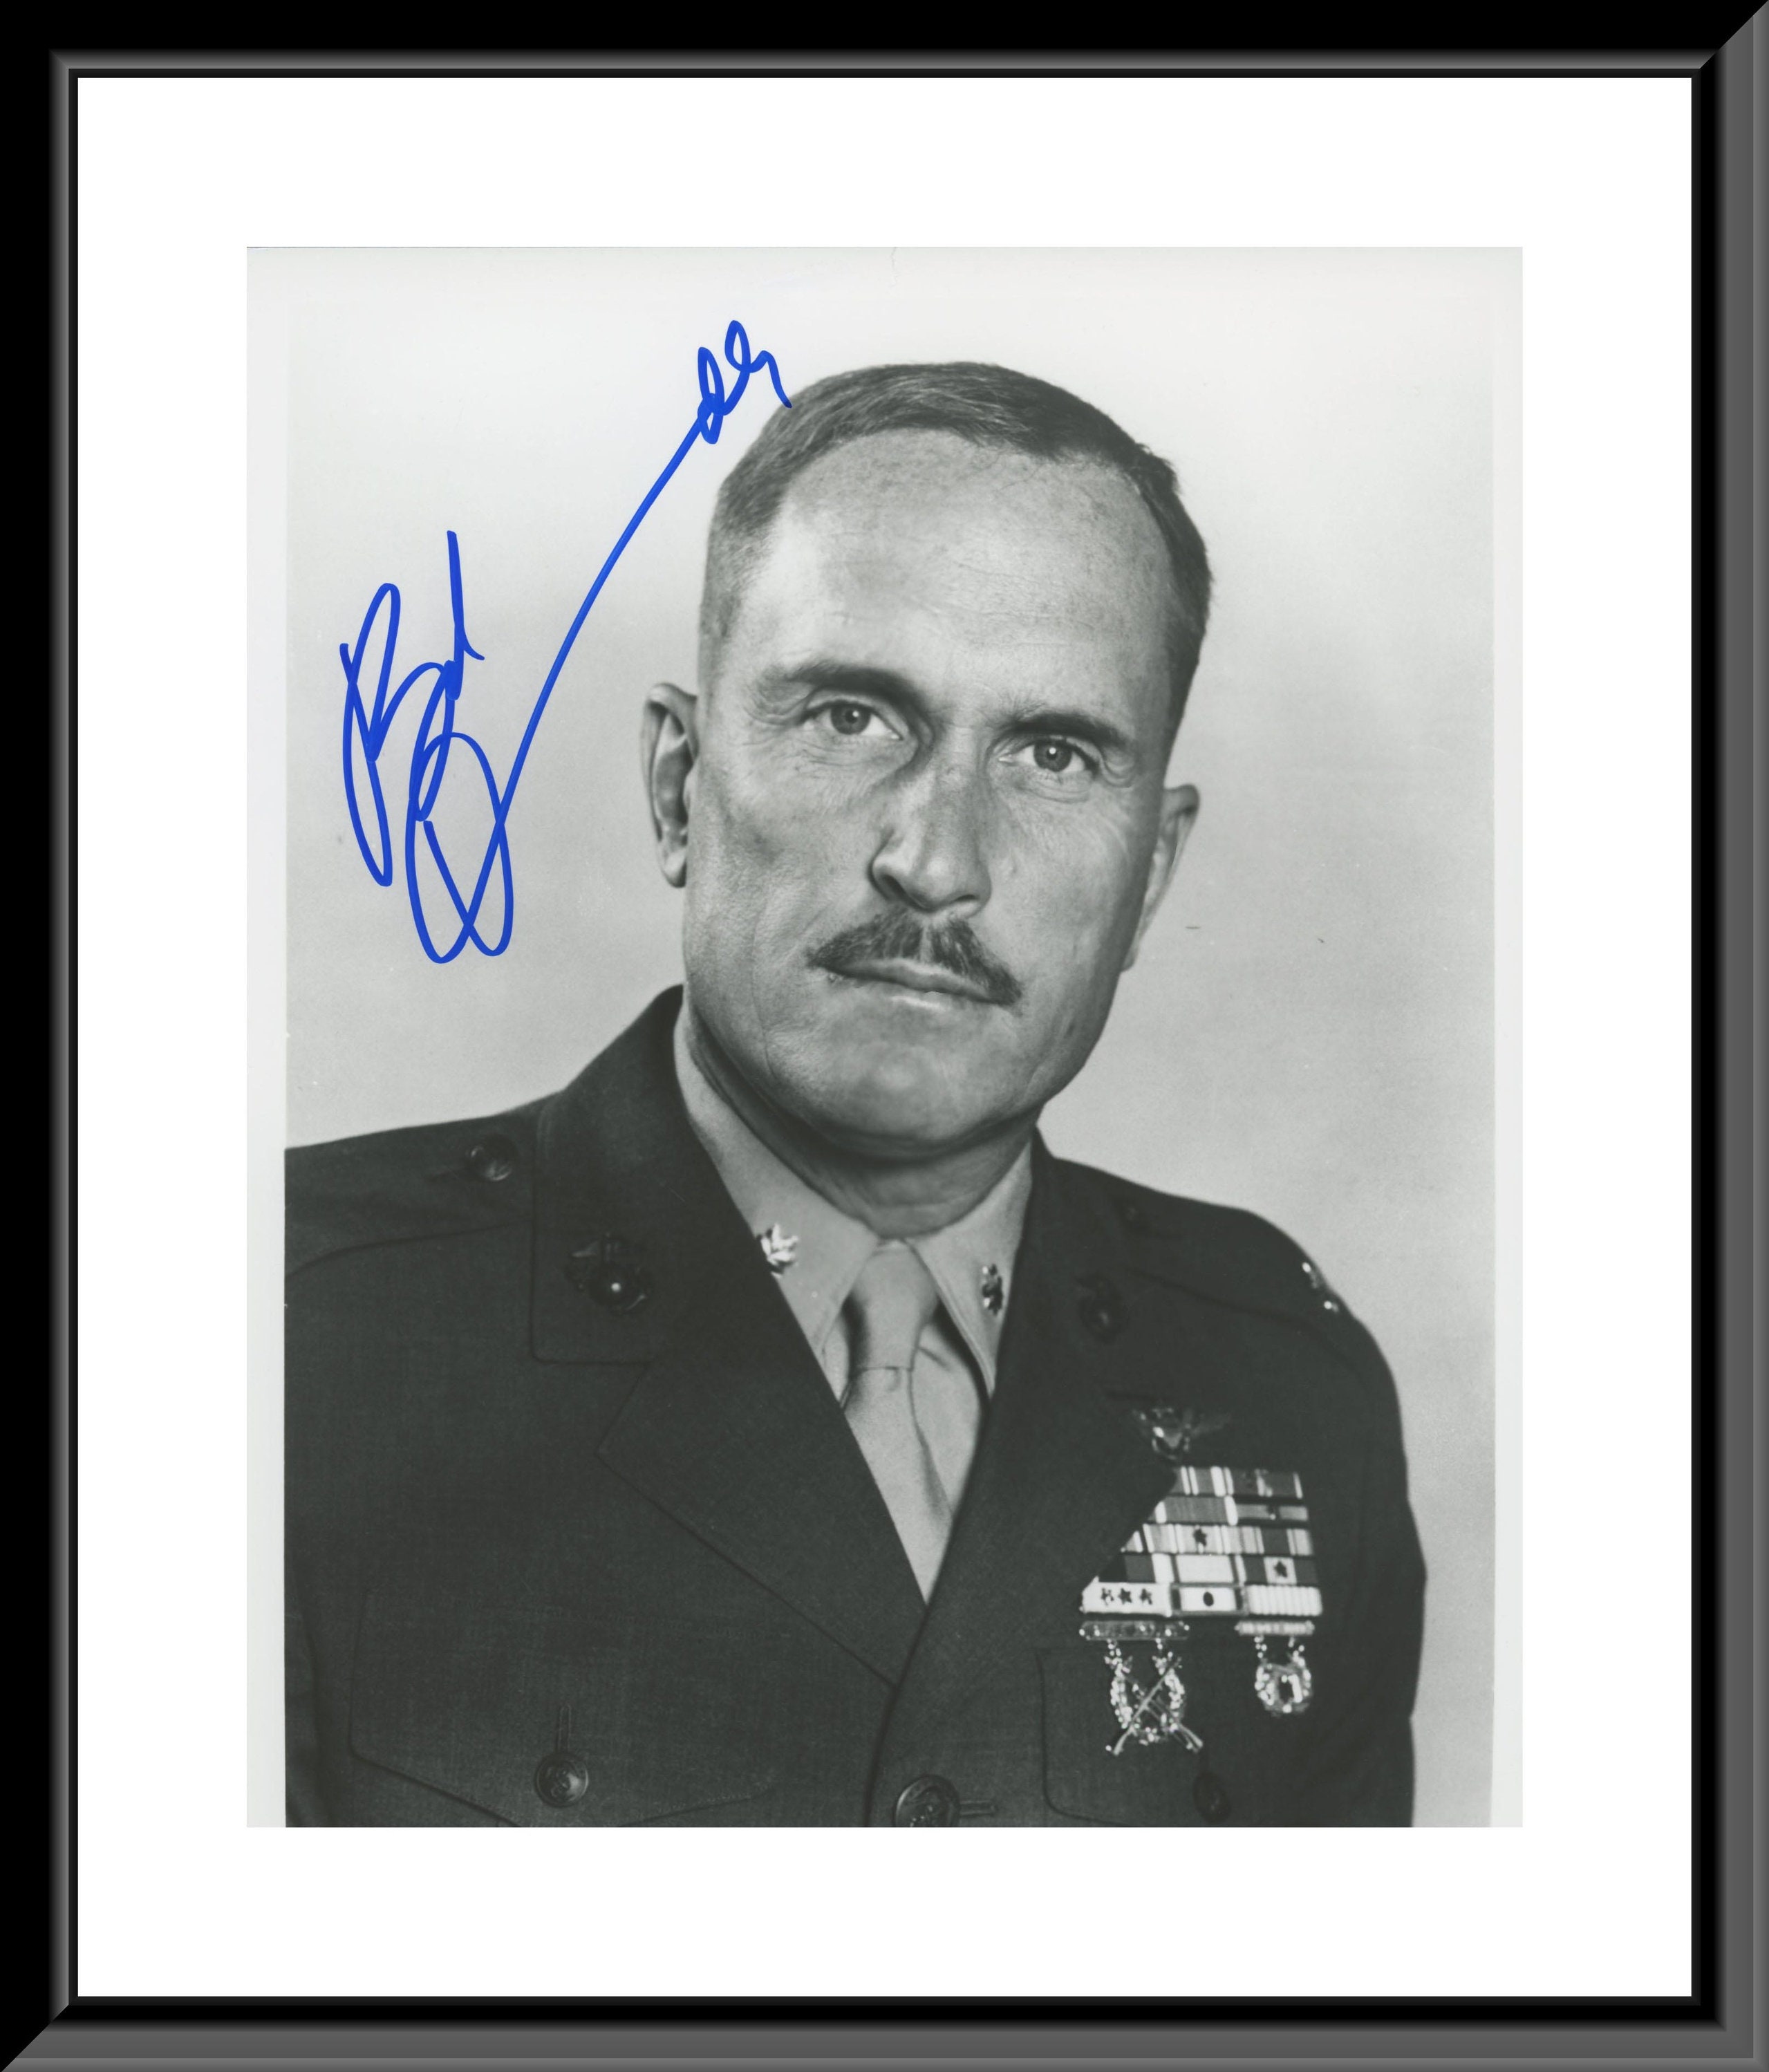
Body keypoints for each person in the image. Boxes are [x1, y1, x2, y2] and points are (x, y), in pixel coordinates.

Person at [286, 362, 1425, 1827]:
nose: (936, 862)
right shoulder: (291, 1338)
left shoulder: (1288, 1388)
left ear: (1149, 876)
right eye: (850, 718)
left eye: (1054, 753)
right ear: (679, 783)